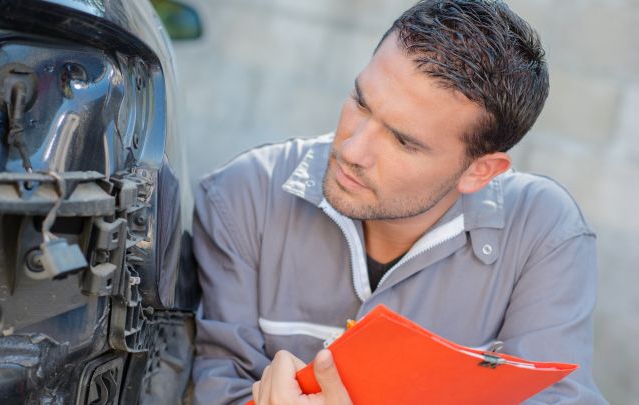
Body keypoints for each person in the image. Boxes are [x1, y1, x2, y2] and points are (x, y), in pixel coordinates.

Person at [191, 1, 607, 404]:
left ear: (479, 172)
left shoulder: (544, 234)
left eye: (403, 140)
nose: (353, 150)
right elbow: (214, 387)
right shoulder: (241, 196)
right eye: (361, 102)